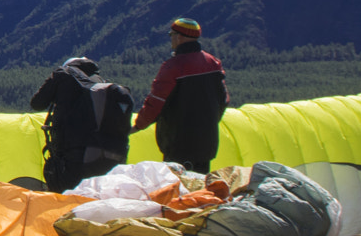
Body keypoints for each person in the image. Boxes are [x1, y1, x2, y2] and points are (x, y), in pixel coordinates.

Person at [131, 17, 229, 173]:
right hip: (206, 143)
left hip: (178, 144)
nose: (171, 39)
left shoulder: (173, 66)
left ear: (179, 37)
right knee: (199, 188)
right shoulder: (213, 63)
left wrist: (137, 126)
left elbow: (155, 102)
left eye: (171, 35)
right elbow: (223, 100)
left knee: (179, 190)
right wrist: (208, 123)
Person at [29, 56, 134, 192]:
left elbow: (37, 103)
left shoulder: (63, 74)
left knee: (68, 200)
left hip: (74, 156)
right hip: (109, 157)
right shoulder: (101, 85)